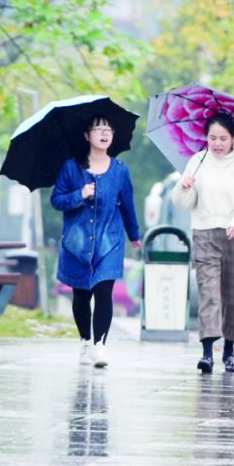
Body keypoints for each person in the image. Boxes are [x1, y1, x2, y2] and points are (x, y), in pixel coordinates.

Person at [171, 114, 234, 374]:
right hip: (204, 233)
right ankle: (207, 353)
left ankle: (229, 351)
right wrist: (185, 186)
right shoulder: (198, 161)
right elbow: (182, 202)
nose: (217, 143)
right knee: (208, 293)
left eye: (223, 138)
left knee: (233, 294)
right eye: (212, 138)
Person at [51, 115, 141, 368]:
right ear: (86, 135)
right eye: (99, 129)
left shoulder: (121, 170)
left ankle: (100, 346)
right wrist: (79, 194)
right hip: (77, 244)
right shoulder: (71, 168)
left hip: (108, 243)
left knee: (104, 291)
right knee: (81, 294)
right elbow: (56, 200)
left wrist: (134, 235)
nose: (104, 133)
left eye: (108, 129)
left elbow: (128, 206)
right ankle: (85, 342)